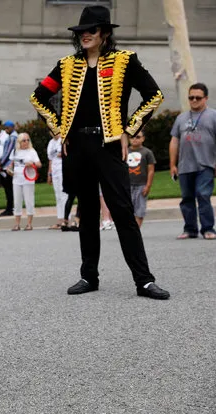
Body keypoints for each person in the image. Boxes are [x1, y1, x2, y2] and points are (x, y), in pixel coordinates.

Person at [30, 5, 170, 299]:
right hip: (78, 147)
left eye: (91, 31)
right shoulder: (66, 65)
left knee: (123, 211)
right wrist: (59, 130)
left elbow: (154, 95)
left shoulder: (125, 60)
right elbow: (38, 97)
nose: (85, 36)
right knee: (88, 213)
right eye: (81, 32)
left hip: (109, 147)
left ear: (105, 33)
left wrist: (128, 130)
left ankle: (144, 280)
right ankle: (88, 276)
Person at [169, 82, 216, 240]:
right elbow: (174, 141)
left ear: (206, 98)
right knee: (187, 198)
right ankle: (190, 229)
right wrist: (172, 165)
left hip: (206, 164)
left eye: (198, 97)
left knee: (203, 195)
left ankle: (208, 229)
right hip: (185, 166)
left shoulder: (213, 115)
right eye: (191, 97)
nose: (194, 100)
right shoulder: (181, 118)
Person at [8, 133, 41, 231]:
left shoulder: (32, 151)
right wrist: (9, 169)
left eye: (28, 140)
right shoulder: (15, 151)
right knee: (17, 201)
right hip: (17, 179)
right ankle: (17, 224)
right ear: (19, 142)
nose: (26, 142)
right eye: (24, 140)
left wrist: (32, 163)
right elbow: (11, 164)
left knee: (29, 201)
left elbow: (39, 164)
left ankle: (29, 224)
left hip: (28, 179)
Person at [127, 130, 156, 228]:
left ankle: (137, 229)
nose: (134, 139)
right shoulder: (125, 151)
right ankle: (130, 229)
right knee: (128, 208)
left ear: (143, 138)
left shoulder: (147, 152)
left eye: (138, 137)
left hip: (141, 185)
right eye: (132, 137)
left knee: (140, 209)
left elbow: (151, 170)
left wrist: (148, 185)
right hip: (127, 185)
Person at [46, 134, 68, 229]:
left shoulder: (63, 140)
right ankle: (59, 220)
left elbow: (67, 154)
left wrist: (60, 154)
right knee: (58, 195)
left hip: (63, 169)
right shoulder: (51, 143)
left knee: (64, 195)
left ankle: (66, 219)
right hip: (54, 171)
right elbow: (50, 159)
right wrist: (49, 173)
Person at [0, 121, 17, 217]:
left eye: (7, 128)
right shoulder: (11, 137)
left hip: (8, 166)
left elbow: (8, 152)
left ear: (12, 127)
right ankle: (10, 207)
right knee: (8, 188)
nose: (6, 130)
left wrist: (1, 163)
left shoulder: (13, 138)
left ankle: (9, 209)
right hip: (7, 165)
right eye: (5, 128)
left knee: (8, 188)